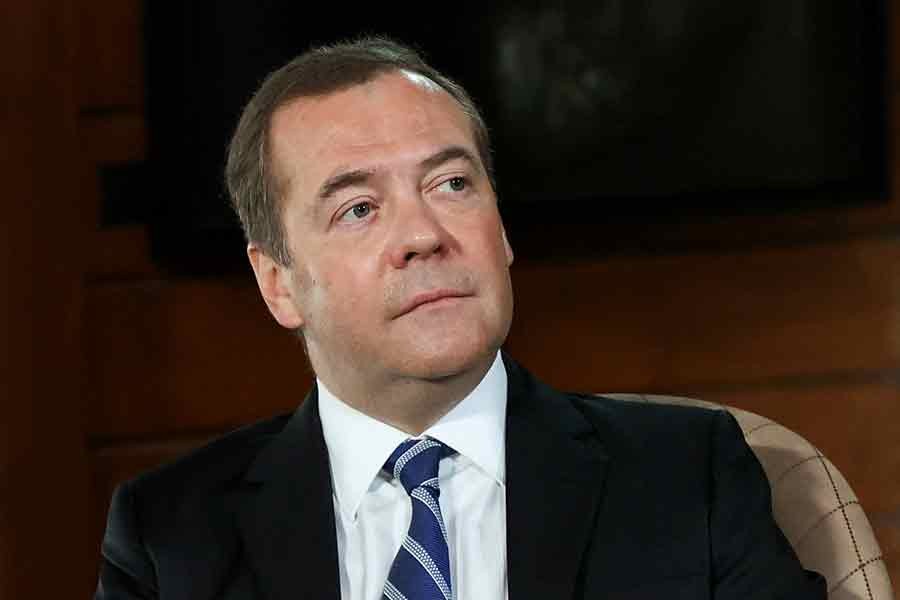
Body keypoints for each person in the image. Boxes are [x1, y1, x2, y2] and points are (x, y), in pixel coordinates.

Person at [95, 37, 826, 599]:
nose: (423, 235)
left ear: (500, 231)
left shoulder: (686, 475)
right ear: (277, 282)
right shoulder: (171, 537)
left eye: (450, 184)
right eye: (359, 208)